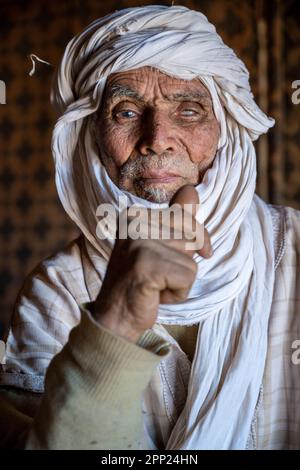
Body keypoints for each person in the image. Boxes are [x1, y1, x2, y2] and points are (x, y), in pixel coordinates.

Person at [0, 5, 299, 450]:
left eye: (190, 110)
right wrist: (115, 322)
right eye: (125, 112)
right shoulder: (56, 291)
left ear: (226, 130)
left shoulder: (293, 252)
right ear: (92, 136)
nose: (157, 137)